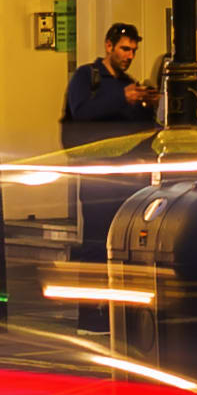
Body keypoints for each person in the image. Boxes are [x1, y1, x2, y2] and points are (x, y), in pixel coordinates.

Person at [55, 25, 153, 253]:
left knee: (122, 242)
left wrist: (148, 105)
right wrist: (122, 97)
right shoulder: (87, 76)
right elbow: (81, 111)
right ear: (109, 46)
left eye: (133, 51)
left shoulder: (128, 84)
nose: (130, 56)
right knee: (97, 242)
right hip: (97, 178)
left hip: (126, 180)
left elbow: (136, 132)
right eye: (125, 49)